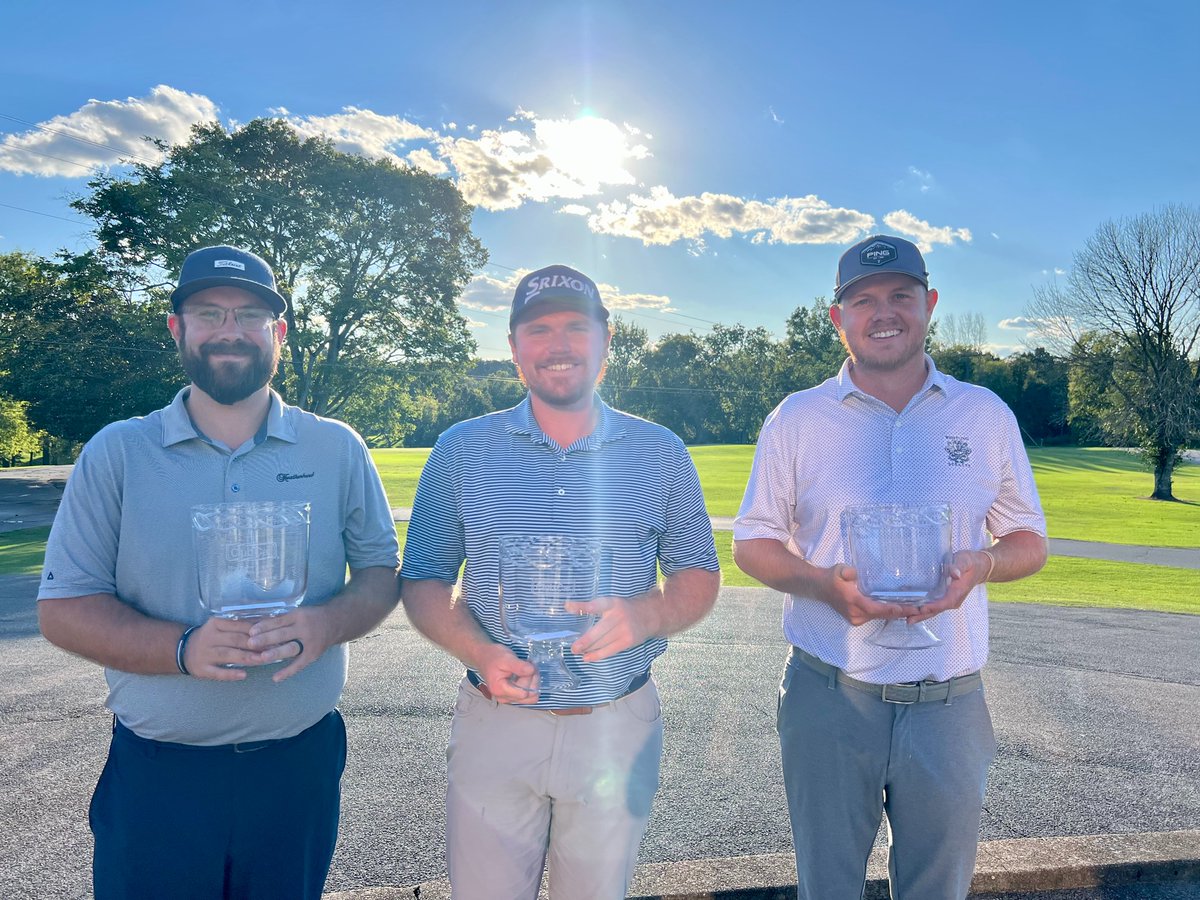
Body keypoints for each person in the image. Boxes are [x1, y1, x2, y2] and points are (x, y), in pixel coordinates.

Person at [37, 245, 400, 900]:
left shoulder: (337, 447)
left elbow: (379, 573)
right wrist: (181, 648)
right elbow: (64, 607)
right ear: (177, 328)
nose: (229, 330)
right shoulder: (118, 452)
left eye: (249, 315)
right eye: (208, 313)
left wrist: (325, 624)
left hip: (297, 772)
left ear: (278, 335)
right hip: (158, 782)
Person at [733, 234, 1048, 900]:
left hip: (948, 700)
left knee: (938, 891)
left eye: (900, 296)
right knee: (828, 889)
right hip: (828, 693)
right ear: (837, 317)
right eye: (864, 299)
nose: (884, 312)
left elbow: (1029, 539)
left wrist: (983, 565)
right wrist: (823, 585)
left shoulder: (983, 414)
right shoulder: (798, 418)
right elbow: (753, 541)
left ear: (929, 303)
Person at [400, 264, 721, 900]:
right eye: (539, 330)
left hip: (615, 721)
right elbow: (424, 582)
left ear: (607, 340)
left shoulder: (660, 451)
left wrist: (647, 617)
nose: (559, 344)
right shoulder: (462, 449)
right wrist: (481, 652)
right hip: (498, 719)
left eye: (577, 327)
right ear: (515, 349)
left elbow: (698, 575)